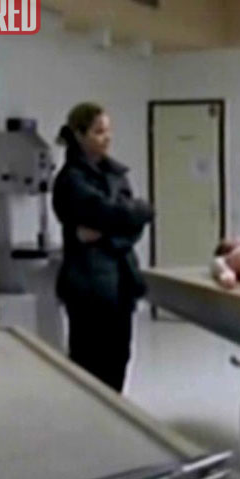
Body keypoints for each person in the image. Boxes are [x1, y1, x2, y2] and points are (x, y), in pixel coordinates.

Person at [52, 102, 154, 393]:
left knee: (119, 357)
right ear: (79, 135)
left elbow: (134, 223)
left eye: (108, 131)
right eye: (98, 132)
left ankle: (114, 412)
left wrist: (110, 233)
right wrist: (129, 217)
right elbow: (105, 212)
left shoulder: (116, 174)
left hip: (122, 281)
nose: (106, 137)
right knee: (89, 362)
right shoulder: (71, 180)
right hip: (87, 285)